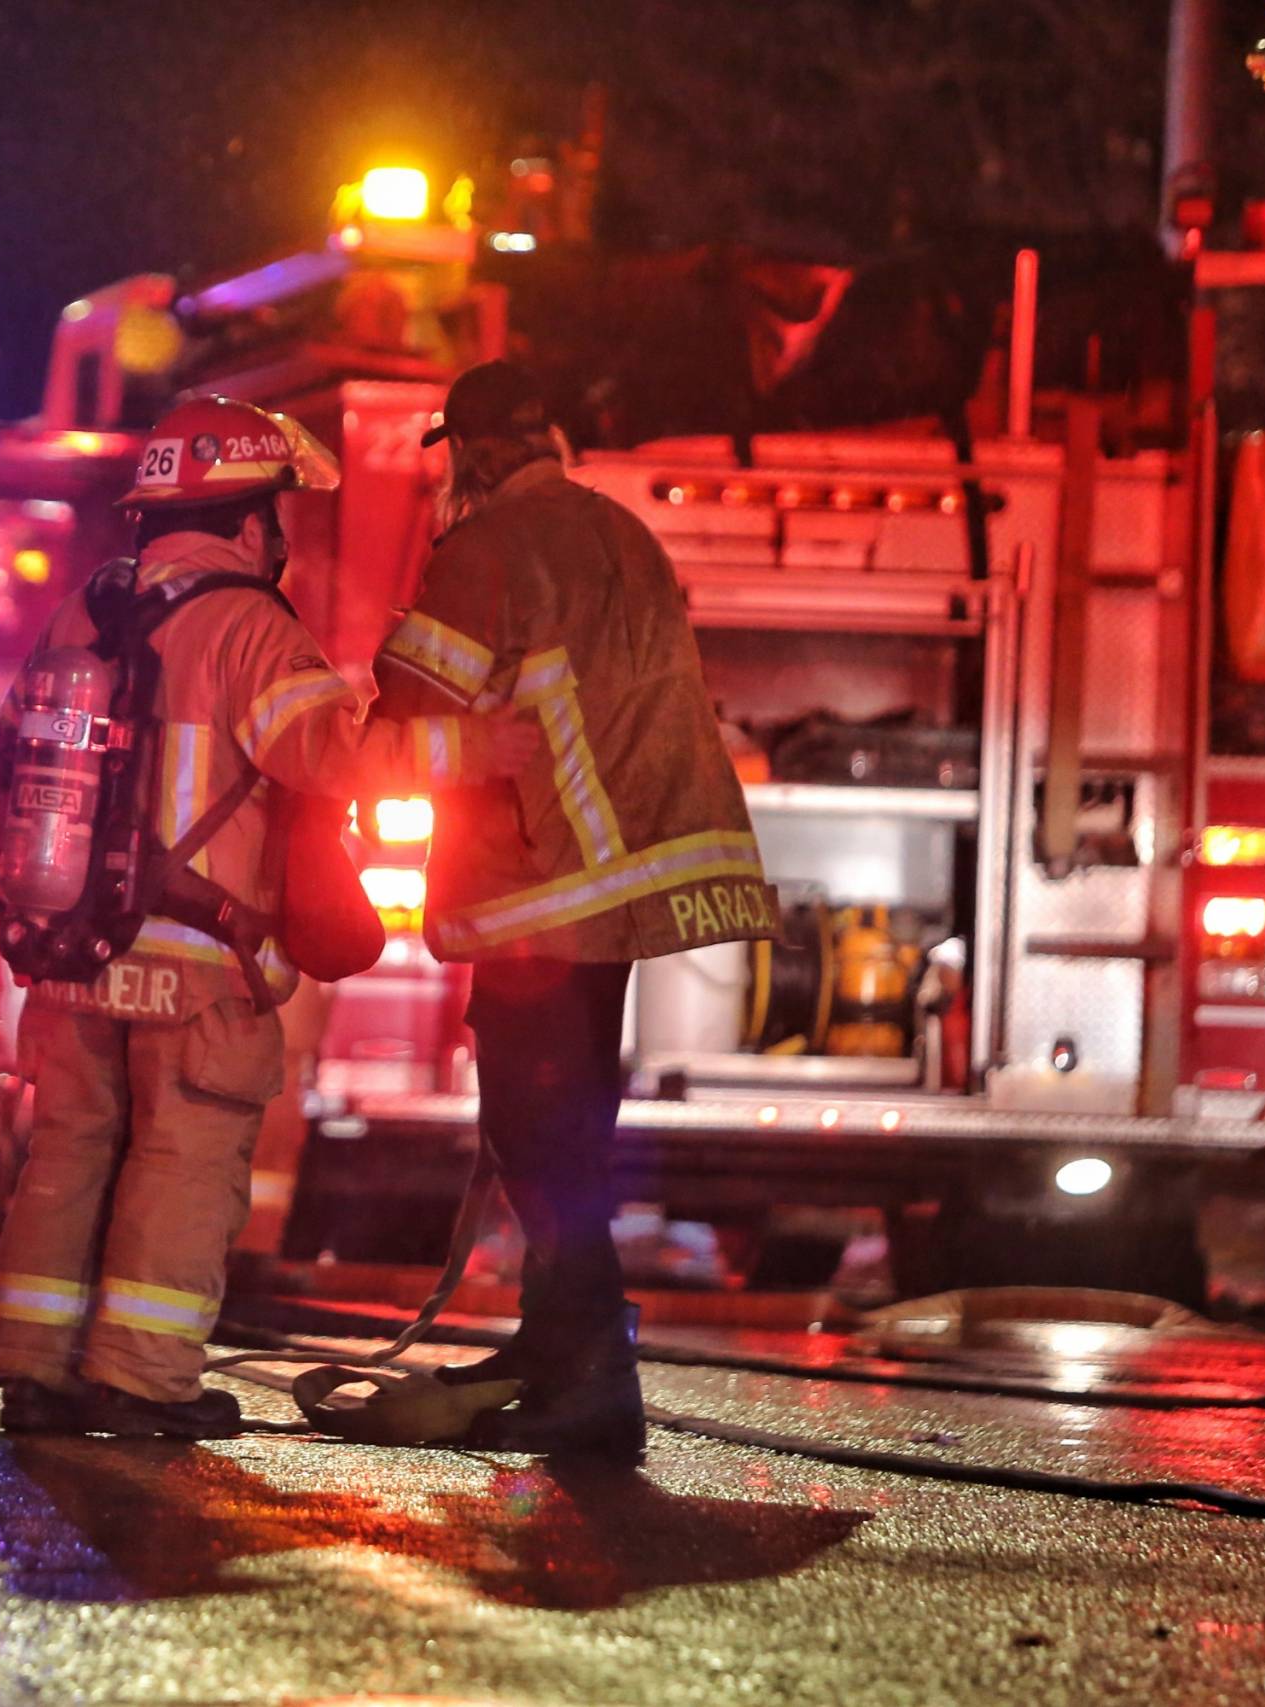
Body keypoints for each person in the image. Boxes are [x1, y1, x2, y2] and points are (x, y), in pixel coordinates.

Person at [0, 396, 542, 1438]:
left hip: (70, 954)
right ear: (246, 522)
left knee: (66, 1154)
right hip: (196, 963)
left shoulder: (80, 615)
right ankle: (142, 1377)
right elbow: (330, 755)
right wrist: (472, 751)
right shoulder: (245, 625)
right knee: (182, 1161)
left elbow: (7, 764)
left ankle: (33, 1369)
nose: (277, 537)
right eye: (276, 515)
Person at [369, 360, 777, 1458]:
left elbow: (403, 713)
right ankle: (549, 1350)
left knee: (541, 1143)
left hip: (534, 897)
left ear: (471, 452)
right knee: (572, 1135)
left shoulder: (482, 552)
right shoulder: (624, 534)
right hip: (613, 907)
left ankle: (590, 1381)